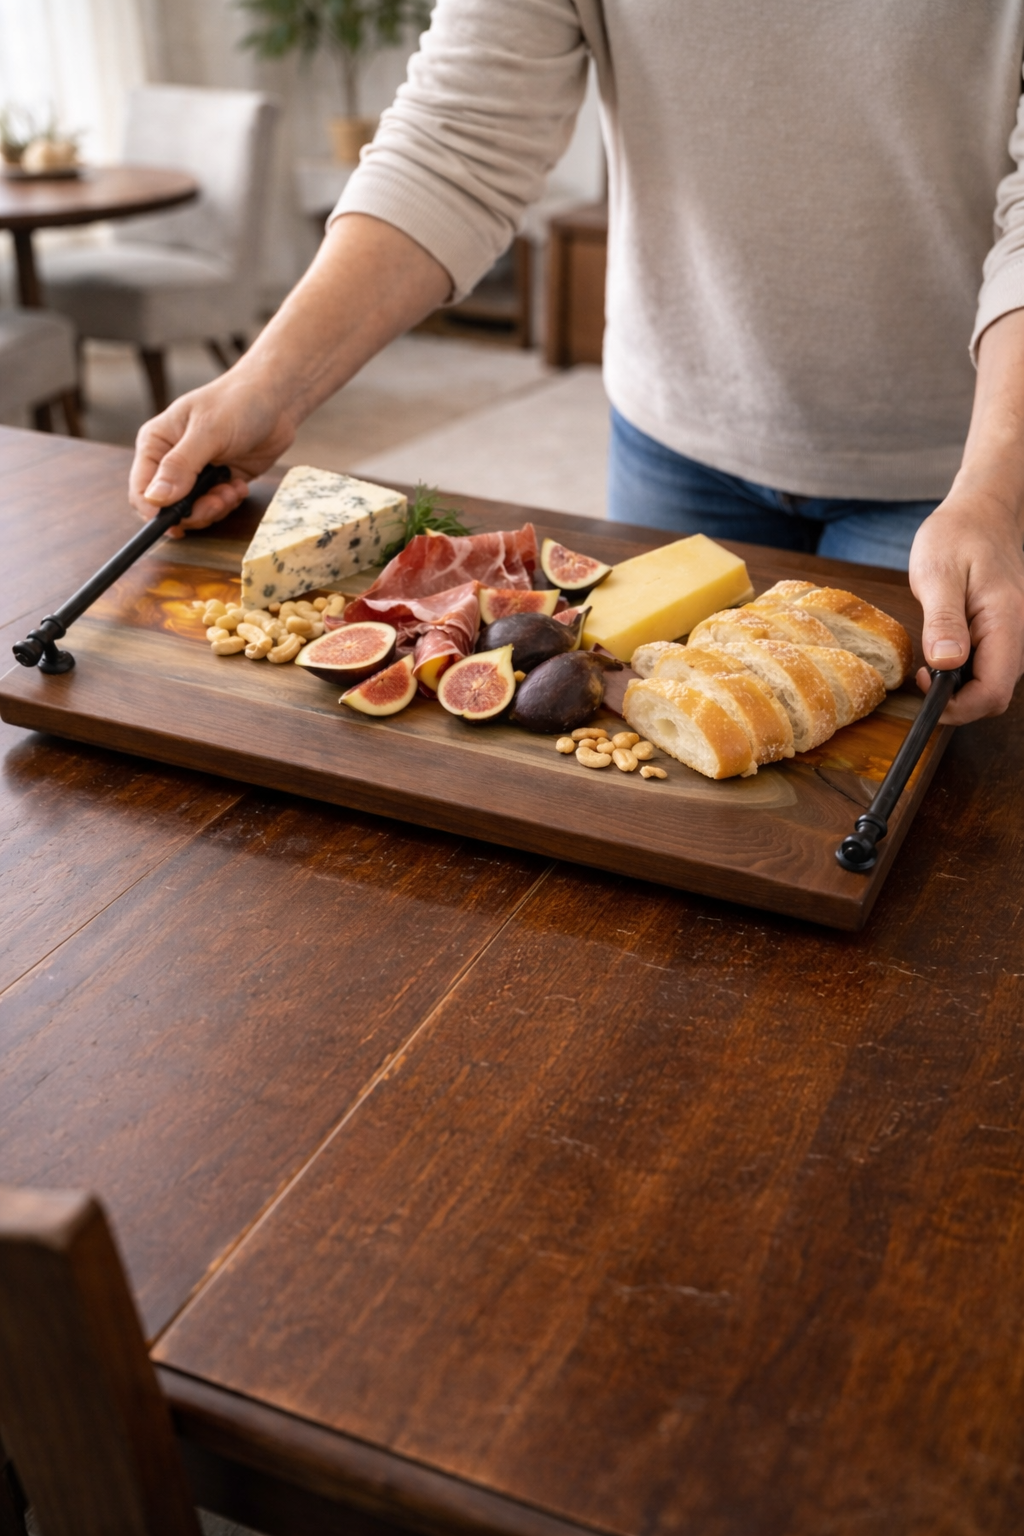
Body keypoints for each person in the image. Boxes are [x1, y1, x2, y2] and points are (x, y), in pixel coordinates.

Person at [130, 1, 1024, 727]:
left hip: (955, 469)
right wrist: (266, 386)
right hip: (672, 431)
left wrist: (996, 488)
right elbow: (456, 144)